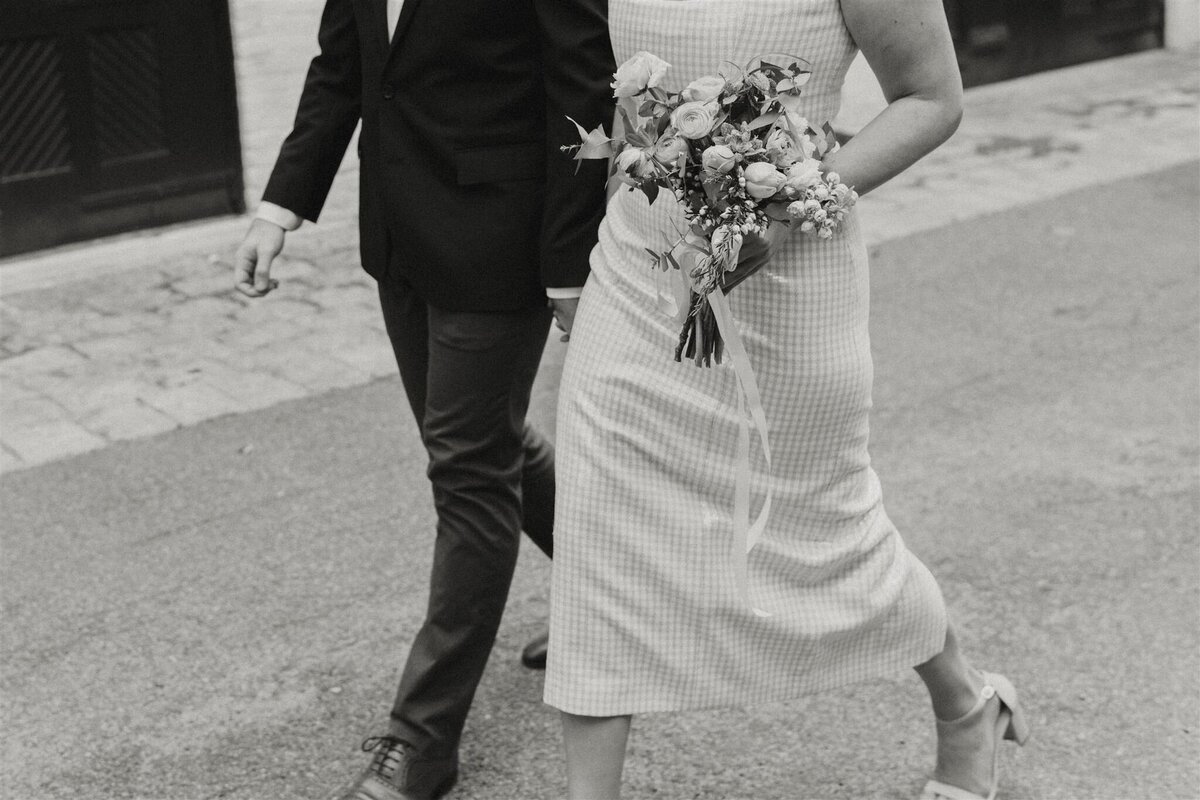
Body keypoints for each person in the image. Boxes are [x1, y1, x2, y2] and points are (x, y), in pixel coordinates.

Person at [544, 1, 1030, 799]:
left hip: (792, 271)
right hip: (640, 268)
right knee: (600, 533)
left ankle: (966, 703)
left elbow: (932, 98)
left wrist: (786, 201)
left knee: (825, 529)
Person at [233, 0, 614, 797]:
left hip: (502, 242)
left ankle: (423, 740)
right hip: (400, 240)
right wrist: (280, 206)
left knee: (469, 471)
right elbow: (343, 69)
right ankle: (620, 598)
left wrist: (570, 260)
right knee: (484, 446)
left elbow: (585, 93)